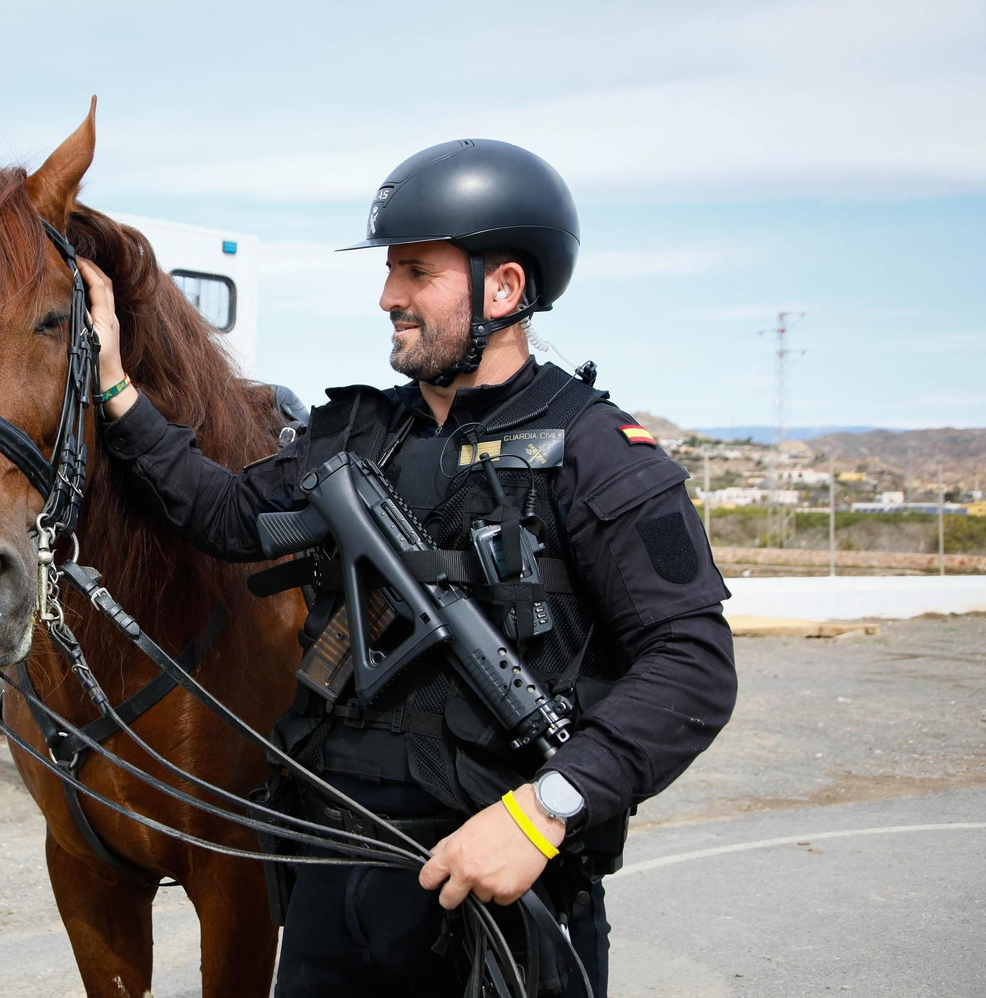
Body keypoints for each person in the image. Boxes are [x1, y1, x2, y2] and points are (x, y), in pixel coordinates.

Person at [82, 139, 737, 996]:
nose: (389, 296)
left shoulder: (598, 452)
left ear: (503, 287)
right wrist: (114, 386)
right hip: (333, 879)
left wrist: (546, 812)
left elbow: (692, 668)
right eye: (392, 271)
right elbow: (226, 516)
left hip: (496, 891)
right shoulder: (355, 436)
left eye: (417, 272)